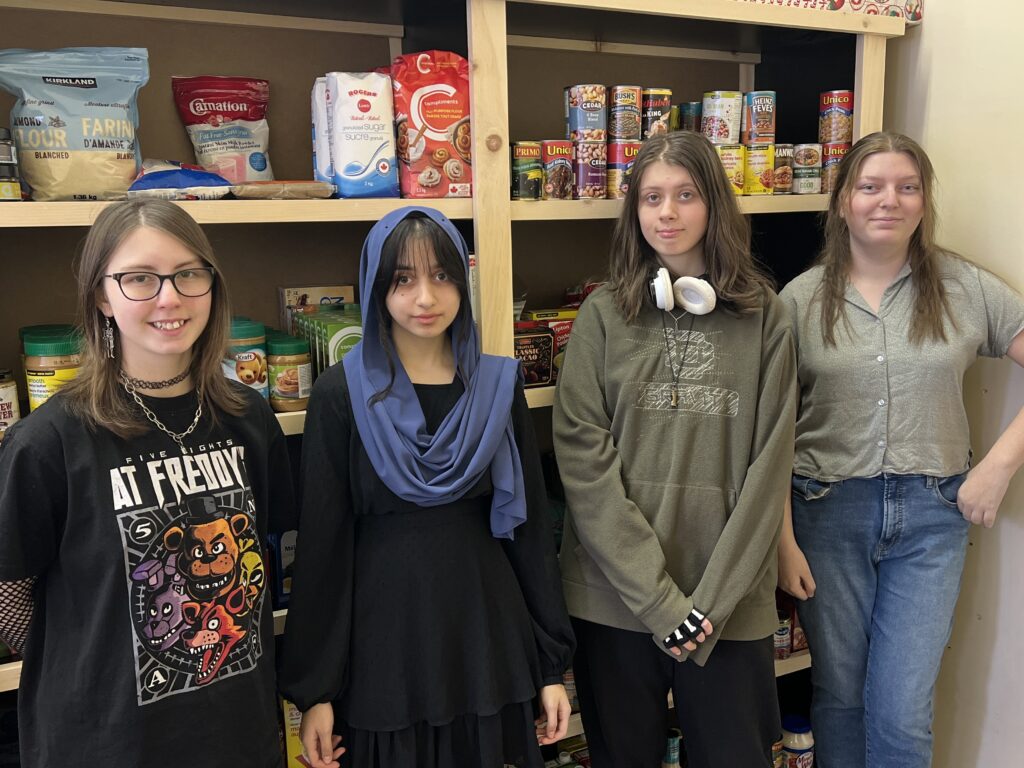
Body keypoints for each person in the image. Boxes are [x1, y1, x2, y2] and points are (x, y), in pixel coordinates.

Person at [0, 199, 294, 767]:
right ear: (101, 296)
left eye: (188, 273)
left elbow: (260, 558)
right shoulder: (47, 442)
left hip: (238, 737)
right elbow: (8, 596)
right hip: (104, 744)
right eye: (139, 278)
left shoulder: (249, 418)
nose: (170, 297)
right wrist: (95, 657)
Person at [279, 206, 574, 768]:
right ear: (376, 287)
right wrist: (316, 691)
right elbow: (323, 547)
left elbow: (530, 533)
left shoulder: (496, 385)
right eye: (403, 279)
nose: (425, 298)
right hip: (383, 643)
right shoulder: (340, 395)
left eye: (441, 276)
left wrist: (550, 668)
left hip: (486, 636)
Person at [778, 131, 1024, 768]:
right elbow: (767, 434)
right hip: (825, 514)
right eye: (871, 186)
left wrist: (998, 466)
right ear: (842, 202)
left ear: (923, 201)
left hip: (933, 519)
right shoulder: (799, 301)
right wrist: (782, 541)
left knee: (902, 708)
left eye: (907, 187)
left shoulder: (965, 287)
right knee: (839, 696)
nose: (889, 200)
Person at [552, 131, 796, 768]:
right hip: (614, 601)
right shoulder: (602, 316)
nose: (667, 213)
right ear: (633, 210)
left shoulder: (767, 318)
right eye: (651, 197)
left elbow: (770, 470)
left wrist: (709, 605)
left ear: (714, 202)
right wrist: (662, 604)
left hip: (729, 606)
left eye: (686, 195)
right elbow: (584, 464)